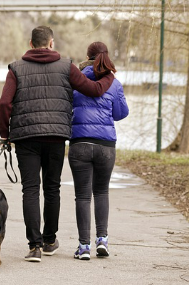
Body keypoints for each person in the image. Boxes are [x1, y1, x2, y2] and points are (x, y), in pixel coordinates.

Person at [0, 26, 115, 262]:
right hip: (56, 136)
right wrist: (109, 75)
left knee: (30, 189)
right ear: (51, 43)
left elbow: (4, 104)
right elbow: (93, 89)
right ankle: (50, 241)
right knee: (52, 189)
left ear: (31, 43)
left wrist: (4, 135)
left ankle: (35, 247)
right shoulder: (66, 65)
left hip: (26, 138)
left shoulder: (16, 68)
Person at [68, 41, 129, 260]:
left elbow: (66, 108)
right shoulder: (115, 83)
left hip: (80, 144)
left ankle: (84, 247)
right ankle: (102, 240)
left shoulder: (75, 79)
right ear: (106, 56)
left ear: (87, 56)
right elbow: (121, 113)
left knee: (82, 196)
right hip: (105, 146)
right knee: (101, 192)